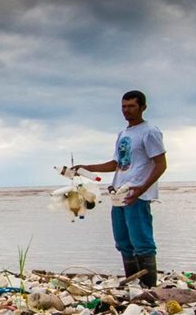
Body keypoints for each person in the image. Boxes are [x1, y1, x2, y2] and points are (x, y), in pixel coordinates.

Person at [68, 90, 168, 288]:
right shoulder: (123, 134)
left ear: (143, 107)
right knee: (123, 241)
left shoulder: (150, 132)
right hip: (118, 194)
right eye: (124, 106)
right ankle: (133, 283)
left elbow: (161, 164)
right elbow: (116, 163)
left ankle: (148, 286)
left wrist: (141, 188)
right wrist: (85, 168)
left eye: (131, 106)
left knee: (142, 241)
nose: (126, 111)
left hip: (135, 194)